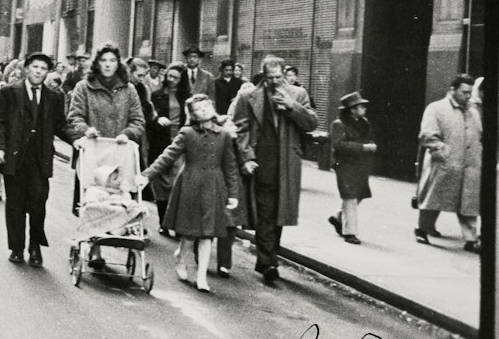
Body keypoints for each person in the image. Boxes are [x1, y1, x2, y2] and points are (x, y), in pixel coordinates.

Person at [231, 54, 318, 285]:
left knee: (279, 213)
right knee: (265, 213)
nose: (275, 81)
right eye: (270, 77)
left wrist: (292, 107)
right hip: (261, 162)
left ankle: (269, 257)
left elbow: (311, 123)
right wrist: (246, 157)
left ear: (284, 73)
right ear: (263, 75)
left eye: (279, 77)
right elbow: (240, 129)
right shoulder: (248, 96)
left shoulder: (298, 94)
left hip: (287, 164)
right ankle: (268, 262)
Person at [139, 93, 240, 292]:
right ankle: (181, 257)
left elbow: (230, 167)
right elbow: (167, 156)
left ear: (213, 108)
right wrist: (147, 175)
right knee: (190, 232)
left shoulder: (224, 135)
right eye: (198, 109)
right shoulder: (187, 133)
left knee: (207, 234)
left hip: (214, 186)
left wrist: (233, 194)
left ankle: (201, 276)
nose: (204, 110)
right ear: (192, 115)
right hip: (190, 185)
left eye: (206, 106)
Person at [0, 53, 76, 266]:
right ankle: (17, 248)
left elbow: (60, 125)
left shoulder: (54, 97)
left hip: (39, 159)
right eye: (35, 67)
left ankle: (35, 246)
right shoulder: (10, 92)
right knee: (15, 204)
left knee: (39, 202)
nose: (38, 71)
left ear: (47, 73)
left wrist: (78, 139)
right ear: (27, 68)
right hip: (15, 158)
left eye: (43, 68)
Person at [67, 42, 146, 268]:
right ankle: (95, 248)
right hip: (93, 152)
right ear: (97, 63)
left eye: (112, 60)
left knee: (119, 198)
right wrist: (86, 130)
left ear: (118, 64)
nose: (108, 65)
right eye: (104, 60)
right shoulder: (84, 87)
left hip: (120, 155)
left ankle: (117, 233)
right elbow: (74, 116)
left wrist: (127, 133)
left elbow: (138, 120)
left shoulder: (129, 90)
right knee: (91, 199)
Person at [415, 74, 482, 252]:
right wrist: (443, 152)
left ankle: (471, 239)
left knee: (468, 203)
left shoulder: (473, 112)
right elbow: (428, 134)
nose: (467, 96)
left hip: (470, 166)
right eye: (464, 92)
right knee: (433, 199)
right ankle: (422, 229)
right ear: (452, 90)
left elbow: (479, 136)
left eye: (470, 93)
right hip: (444, 164)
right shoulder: (436, 108)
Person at [147, 62, 191, 231]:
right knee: (161, 184)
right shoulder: (156, 95)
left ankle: (177, 223)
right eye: (169, 76)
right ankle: (163, 223)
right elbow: (148, 118)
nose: (171, 80)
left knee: (178, 184)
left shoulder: (187, 97)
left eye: (176, 78)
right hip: (161, 141)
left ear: (182, 80)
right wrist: (156, 120)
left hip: (180, 142)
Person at [328, 91, 376, 246]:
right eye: (361, 106)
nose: (364, 109)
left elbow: (368, 138)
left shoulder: (364, 123)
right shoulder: (339, 124)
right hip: (345, 165)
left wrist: (370, 146)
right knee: (350, 197)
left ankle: (337, 217)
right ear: (352, 109)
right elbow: (338, 145)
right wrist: (364, 147)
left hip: (360, 165)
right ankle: (350, 232)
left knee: (358, 194)